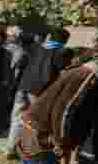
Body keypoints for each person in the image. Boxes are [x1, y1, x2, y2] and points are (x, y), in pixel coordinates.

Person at [5, 27, 69, 156]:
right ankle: (32, 150)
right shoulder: (62, 52)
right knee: (36, 121)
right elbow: (63, 73)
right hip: (40, 91)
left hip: (24, 85)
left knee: (17, 118)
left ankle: (10, 149)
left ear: (50, 36)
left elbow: (23, 39)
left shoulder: (38, 47)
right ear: (65, 40)